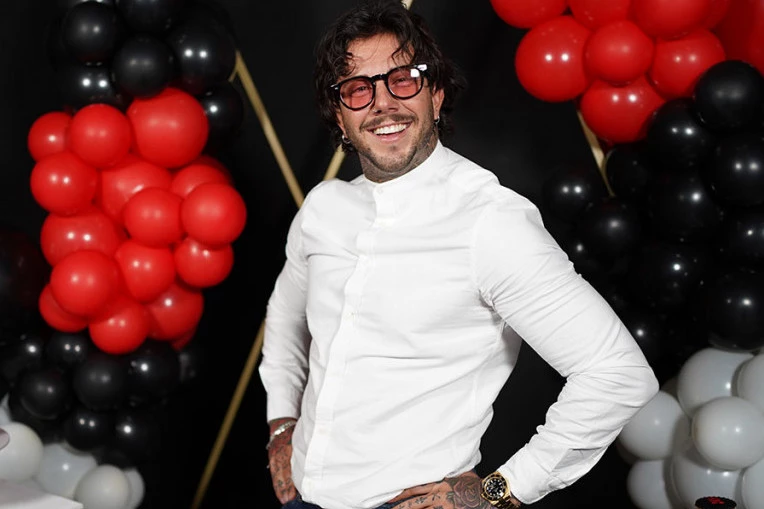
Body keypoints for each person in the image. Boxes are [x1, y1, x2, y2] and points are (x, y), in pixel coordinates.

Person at [258, 1, 660, 508]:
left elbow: (618, 373)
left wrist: (496, 493)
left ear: (436, 94)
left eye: (403, 79)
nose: (383, 103)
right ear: (339, 115)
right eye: (358, 89)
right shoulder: (324, 208)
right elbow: (285, 318)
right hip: (301, 496)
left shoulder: (490, 222)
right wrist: (281, 424)